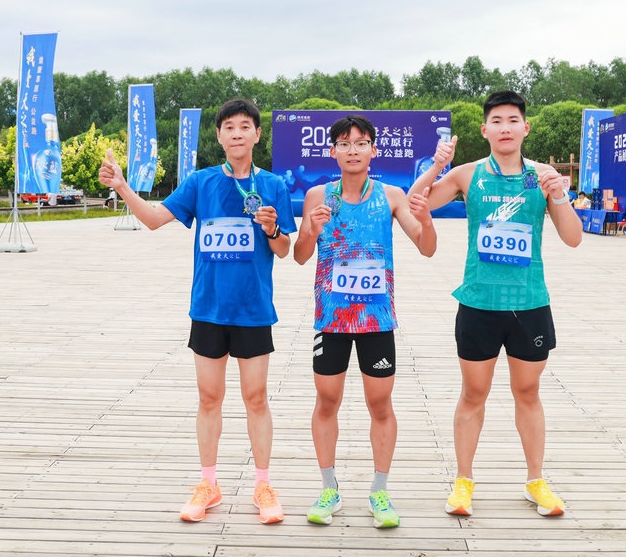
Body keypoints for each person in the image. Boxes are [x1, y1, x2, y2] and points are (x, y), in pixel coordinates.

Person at [98, 98, 296, 525]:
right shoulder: (200, 182)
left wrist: (272, 228)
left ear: (257, 134)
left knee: (256, 398)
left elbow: (285, 250)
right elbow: (154, 219)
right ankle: (209, 484)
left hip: (253, 310)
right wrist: (123, 187)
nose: (237, 133)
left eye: (245, 126)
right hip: (208, 309)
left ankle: (263, 485)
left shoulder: (274, 185)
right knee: (209, 397)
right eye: (229, 127)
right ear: (219, 136)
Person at [409, 90, 582, 518]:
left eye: (513, 120)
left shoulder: (543, 176)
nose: (505, 128)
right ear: (484, 130)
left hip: (529, 303)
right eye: (497, 121)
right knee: (473, 393)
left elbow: (573, 237)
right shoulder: (467, 175)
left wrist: (559, 195)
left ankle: (536, 481)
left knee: (528, 392)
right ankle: (463, 482)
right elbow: (415, 204)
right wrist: (436, 166)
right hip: (479, 303)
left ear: (526, 127)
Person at [293, 114, 437, 529]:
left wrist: (427, 219)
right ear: (333, 151)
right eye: (344, 143)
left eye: (360, 143)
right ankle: (329, 488)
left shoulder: (391, 196)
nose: (352, 150)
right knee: (327, 401)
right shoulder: (318, 196)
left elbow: (426, 248)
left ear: (374, 150)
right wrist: (311, 230)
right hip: (332, 318)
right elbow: (300, 255)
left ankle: (379, 491)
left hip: (376, 319)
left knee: (380, 403)